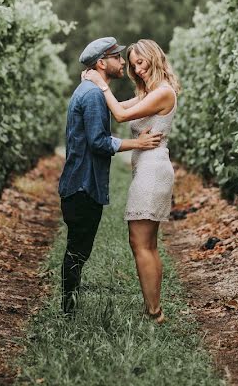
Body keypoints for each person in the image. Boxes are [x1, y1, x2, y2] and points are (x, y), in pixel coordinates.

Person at [58, 37, 163, 316]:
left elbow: (122, 110)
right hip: (83, 184)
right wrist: (137, 144)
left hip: (79, 182)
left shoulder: (90, 90)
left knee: (77, 249)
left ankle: (69, 307)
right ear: (102, 63)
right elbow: (99, 142)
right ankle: (67, 311)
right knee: (77, 251)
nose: (123, 64)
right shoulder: (92, 94)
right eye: (118, 58)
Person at [82, 39, 180, 324]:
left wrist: (100, 83)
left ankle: (155, 312)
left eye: (141, 62)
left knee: (141, 243)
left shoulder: (163, 92)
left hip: (153, 170)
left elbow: (121, 114)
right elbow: (116, 105)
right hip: (147, 168)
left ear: (154, 58)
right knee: (144, 243)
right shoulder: (150, 92)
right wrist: (91, 87)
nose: (137, 69)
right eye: (133, 64)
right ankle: (153, 308)